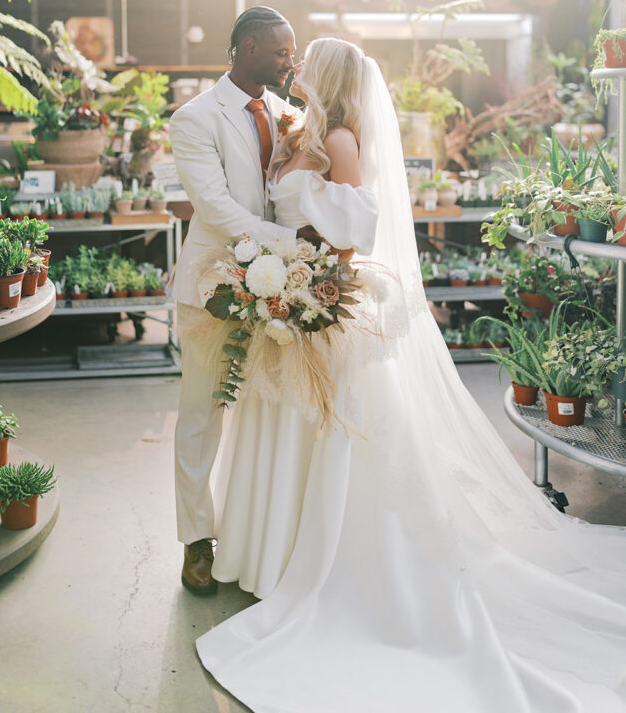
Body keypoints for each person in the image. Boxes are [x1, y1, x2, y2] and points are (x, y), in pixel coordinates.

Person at [196, 38, 626, 712]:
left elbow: (352, 233)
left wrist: (306, 272)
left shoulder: (339, 137)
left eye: (307, 57)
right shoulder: (301, 125)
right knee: (289, 429)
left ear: (329, 74)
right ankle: (276, 552)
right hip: (289, 289)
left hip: (322, 295)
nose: (297, 64)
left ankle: (340, 564)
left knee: (333, 434)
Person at [168, 6, 305, 596]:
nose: (290, 61)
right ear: (247, 48)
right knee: (202, 414)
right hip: (213, 288)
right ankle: (197, 539)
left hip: (283, 291)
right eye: (280, 51)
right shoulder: (194, 117)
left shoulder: (288, 113)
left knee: (273, 413)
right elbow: (218, 209)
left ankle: (259, 534)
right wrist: (297, 246)